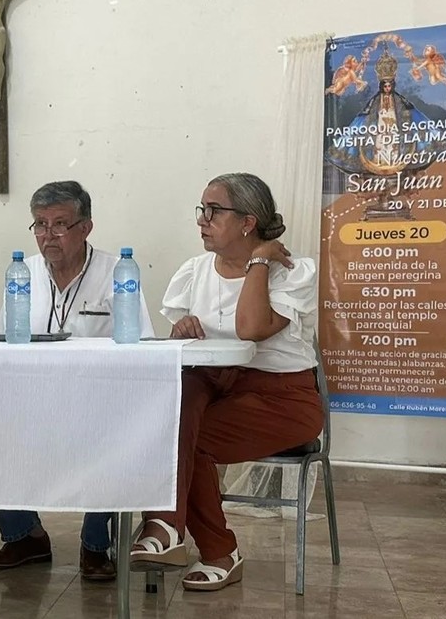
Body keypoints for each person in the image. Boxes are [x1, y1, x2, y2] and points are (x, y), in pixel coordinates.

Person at [130, 173, 322, 592]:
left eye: (214, 211)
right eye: (202, 210)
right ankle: (169, 528)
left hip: (281, 398)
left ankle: (207, 546)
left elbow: (250, 328)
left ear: (248, 222)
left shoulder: (292, 271)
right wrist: (180, 334)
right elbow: (184, 355)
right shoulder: (194, 271)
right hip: (214, 388)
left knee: (185, 439)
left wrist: (259, 261)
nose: (202, 219)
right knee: (175, 407)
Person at [0, 180, 154, 582]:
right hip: (31, 398)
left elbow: (141, 345)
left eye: (59, 224)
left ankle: (95, 544)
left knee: (118, 431)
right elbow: (1, 343)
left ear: (85, 227)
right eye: (40, 225)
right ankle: (25, 536)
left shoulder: (117, 273)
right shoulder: (23, 273)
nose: (48, 235)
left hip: (98, 401)